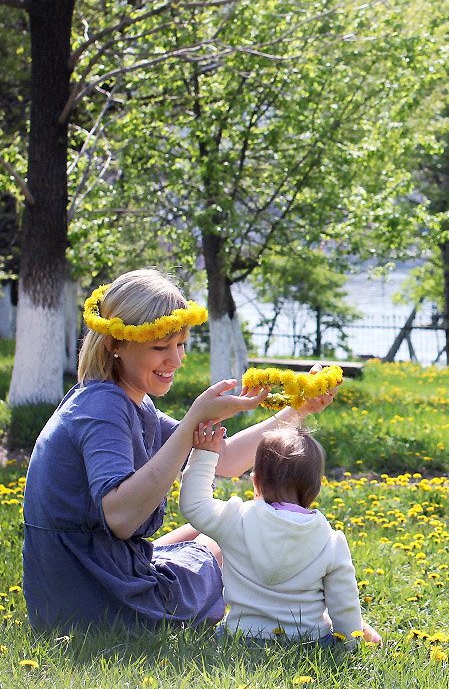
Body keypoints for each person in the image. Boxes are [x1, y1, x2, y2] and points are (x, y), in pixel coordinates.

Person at [21, 269, 336, 633]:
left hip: (73, 591)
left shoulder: (122, 401)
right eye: (160, 347)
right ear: (115, 345)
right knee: (236, 533)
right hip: (100, 604)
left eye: (181, 344)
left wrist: (299, 410)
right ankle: (306, 617)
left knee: (222, 525)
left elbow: (228, 459)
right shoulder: (104, 406)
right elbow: (120, 519)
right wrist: (191, 424)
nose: (176, 360)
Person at [180, 422, 381, 648]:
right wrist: (350, 644)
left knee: (214, 634)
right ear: (315, 490)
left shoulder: (236, 520)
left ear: (255, 482)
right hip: (308, 642)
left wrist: (205, 454)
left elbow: (194, 504)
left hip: (239, 637)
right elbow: (344, 604)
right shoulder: (331, 542)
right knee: (339, 632)